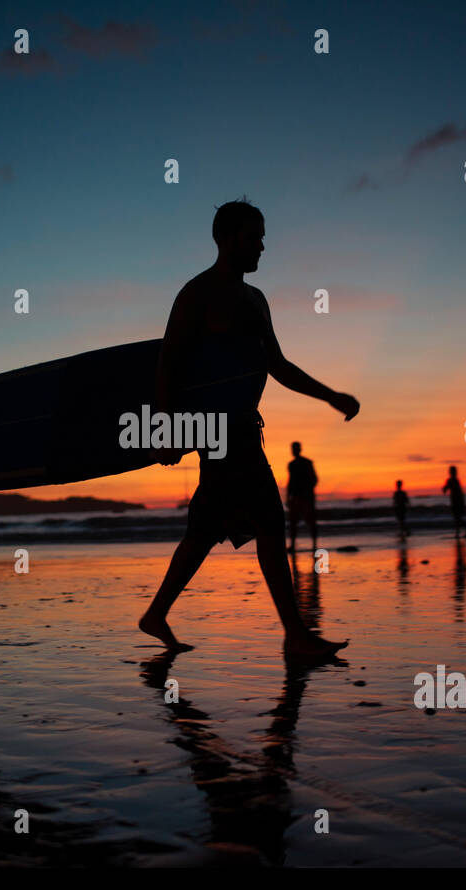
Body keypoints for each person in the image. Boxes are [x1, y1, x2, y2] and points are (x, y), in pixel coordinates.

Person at [138, 197, 360, 658]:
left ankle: (157, 613)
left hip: (242, 427)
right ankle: (295, 636)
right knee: (268, 521)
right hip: (217, 432)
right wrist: (164, 426)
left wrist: (330, 396)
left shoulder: (256, 299)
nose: (262, 246)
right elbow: (168, 363)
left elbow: (276, 364)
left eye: (262, 236)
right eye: (254, 236)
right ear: (227, 238)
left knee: (206, 528)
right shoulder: (197, 293)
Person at [286, 441, 318, 554]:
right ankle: (293, 545)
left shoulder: (307, 463)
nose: (293, 451)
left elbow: (314, 479)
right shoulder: (291, 464)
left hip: (306, 497)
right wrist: (288, 497)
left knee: (311, 521)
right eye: (292, 449)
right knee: (293, 522)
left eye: (295, 449)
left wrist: (306, 491)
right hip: (296, 497)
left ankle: (314, 545)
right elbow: (290, 481)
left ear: (299, 449)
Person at [442, 465, 466, 538]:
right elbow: (458, 491)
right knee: (458, 518)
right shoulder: (455, 480)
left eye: (451, 471)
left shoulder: (452, 480)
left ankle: (464, 532)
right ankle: (461, 532)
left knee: (457, 518)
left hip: (456, 501)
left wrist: (444, 488)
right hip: (457, 501)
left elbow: (446, 488)